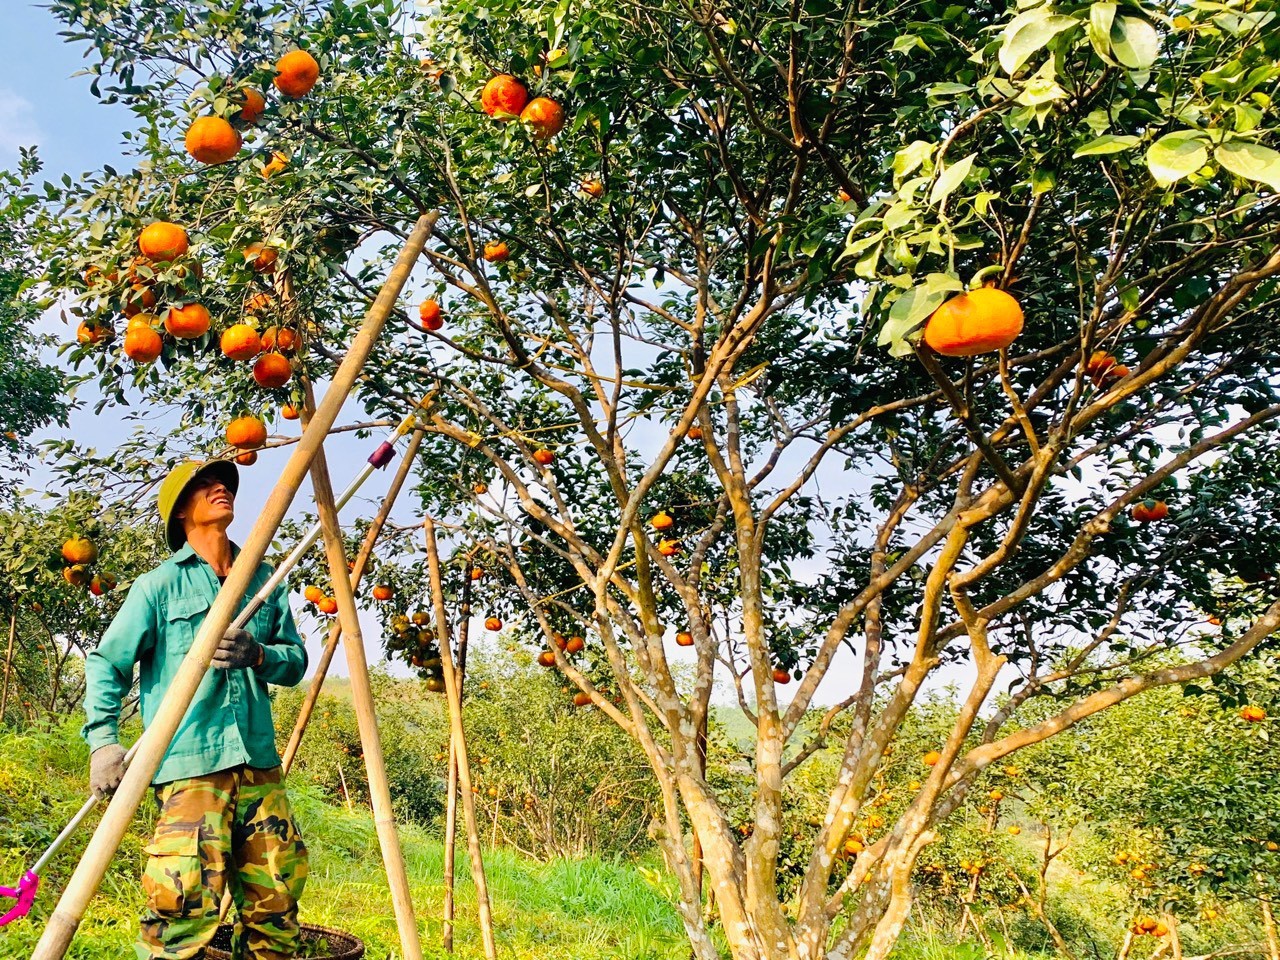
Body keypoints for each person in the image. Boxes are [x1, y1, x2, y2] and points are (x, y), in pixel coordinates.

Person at [81, 459, 310, 960]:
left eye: (223, 484)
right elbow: (106, 663)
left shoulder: (265, 580)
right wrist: (103, 741)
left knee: (276, 907)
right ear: (181, 512)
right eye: (204, 487)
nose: (220, 489)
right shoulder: (158, 586)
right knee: (181, 911)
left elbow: (295, 663)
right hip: (189, 769)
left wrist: (260, 655)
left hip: (259, 768)